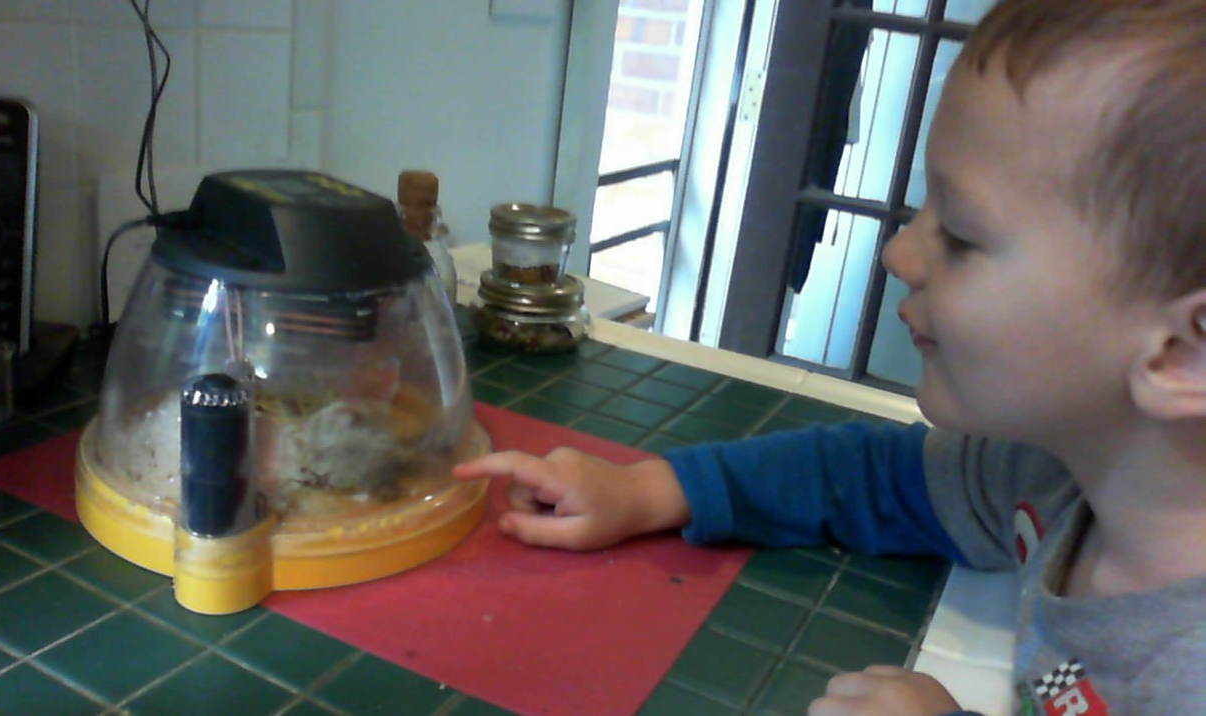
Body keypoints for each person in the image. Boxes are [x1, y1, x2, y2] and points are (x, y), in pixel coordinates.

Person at [454, 0, 1206, 714]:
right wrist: (651, 491)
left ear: (1182, 356)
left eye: (962, 235)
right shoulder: (1049, 475)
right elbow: (872, 475)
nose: (899, 252)